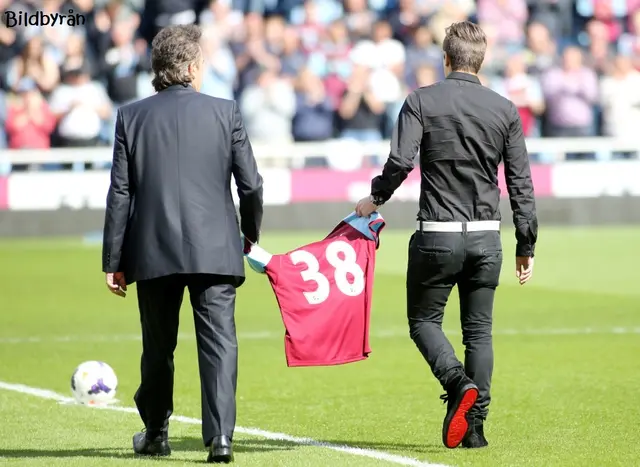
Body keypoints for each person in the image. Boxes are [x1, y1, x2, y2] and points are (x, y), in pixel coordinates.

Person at [355, 21, 537, 450]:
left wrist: (375, 198)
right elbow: (521, 184)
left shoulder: (421, 100)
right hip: (486, 238)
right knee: (479, 333)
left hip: (436, 234)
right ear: (482, 59)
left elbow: (400, 161)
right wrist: (525, 243)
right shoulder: (504, 109)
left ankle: (456, 383)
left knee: (422, 322)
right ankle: (475, 429)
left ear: (446, 58)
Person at [101, 24, 263, 463]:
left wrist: (113, 260)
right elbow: (250, 185)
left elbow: (120, 193)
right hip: (215, 248)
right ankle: (221, 439)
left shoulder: (130, 116)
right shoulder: (225, 111)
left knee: (158, 347)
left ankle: (156, 433)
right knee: (219, 343)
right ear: (192, 67)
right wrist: (249, 233)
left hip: (152, 250)